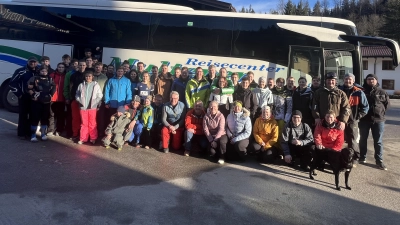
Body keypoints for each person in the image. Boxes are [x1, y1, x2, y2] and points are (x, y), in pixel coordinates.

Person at [359, 74, 390, 170]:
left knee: (378, 141)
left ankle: (379, 160)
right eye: (369, 79)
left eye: (373, 79)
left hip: (378, 120)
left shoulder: (382, 92)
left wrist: (380, 113)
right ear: (366, 80)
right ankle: (362, 157)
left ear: (376, 80)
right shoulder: (362, 91)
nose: (371, 81)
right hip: (364, 120)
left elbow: (386, 105)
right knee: (363, 139)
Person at [339, 73, 369, 158]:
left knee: (352, 140)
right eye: (346, 79)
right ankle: (340, 158)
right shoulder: (339, 90)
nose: (347, 81)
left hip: (352, 121)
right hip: (340, 120)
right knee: (339, 139)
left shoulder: (359, 92)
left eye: (350, 79)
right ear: (343, 80)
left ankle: (354, 158)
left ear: (353, 81)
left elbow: (365, 108)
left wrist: (357, 117)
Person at [9, 56, 39, 139]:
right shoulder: (20, 71)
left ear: (37, 63)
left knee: (33, 115)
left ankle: (30, 133)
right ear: (28, 62)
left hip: (35, 98)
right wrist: (19, 94)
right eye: (31, 62)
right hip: (24, 97)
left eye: (34, 62)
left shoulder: (39, 71)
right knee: (23, 115)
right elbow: (12, 83)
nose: (33, 63)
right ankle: (21, 133)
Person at [27, 66, 56, 142]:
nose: (44, 72)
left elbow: (54, 87)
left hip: (46, 102)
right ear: (39, 71)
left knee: (45, 118)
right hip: (36, 101)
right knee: (35, 118)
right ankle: (33, 135)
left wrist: (50, 95)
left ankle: (43, 134)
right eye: (42, 71)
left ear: (47, 72)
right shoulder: (34, 78)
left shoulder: (50, 79)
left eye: (45, 71)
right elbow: (29, 88)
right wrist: (34, 95)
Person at [75, 71, 103, 144]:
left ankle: (93, 138)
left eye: (89, 76)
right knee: (84, 123)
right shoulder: (81, 85)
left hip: (92, 107)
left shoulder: (96, 85)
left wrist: (95, 102)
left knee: (92, 123)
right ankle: (83, 138)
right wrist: (79, 100)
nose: (88, 78)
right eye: (86, 76)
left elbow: (100, 95)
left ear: (92, 77)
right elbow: (77, 94)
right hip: (83, 107)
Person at [66, 60, 87, 140]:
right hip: (75, 100)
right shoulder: (73, 75)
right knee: (75, 118)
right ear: (78, 66)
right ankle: (75, 133)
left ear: (86, 66)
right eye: (80, 65)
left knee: (83, 119)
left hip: (85, 101)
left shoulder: (89, 75)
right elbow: (70, 87)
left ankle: (83, 134)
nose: (82, 67)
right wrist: (70, 97)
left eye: (83, 65)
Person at [48, 63, 66, 136]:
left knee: (60, 115)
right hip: (53, 98)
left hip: (61, 99)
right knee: (51, 115)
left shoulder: (66, 76)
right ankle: (51, 130)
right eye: (59, 67)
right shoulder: (52, 75)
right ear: (57, 67)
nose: (61, 68)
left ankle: (59, 130)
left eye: (62, 67)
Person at [92, 62, 108, 138]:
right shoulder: (91, 76)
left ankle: (100, 132)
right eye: (96, 67)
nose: (98, 68)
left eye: (99, 67)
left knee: (101, 117)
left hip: (101, 100)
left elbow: (106, 90)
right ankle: (92, 132)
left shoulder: (105, 77)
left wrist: (105, 100)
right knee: (92, 117)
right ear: (94, 67)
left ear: (102, 68)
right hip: (91, 100)